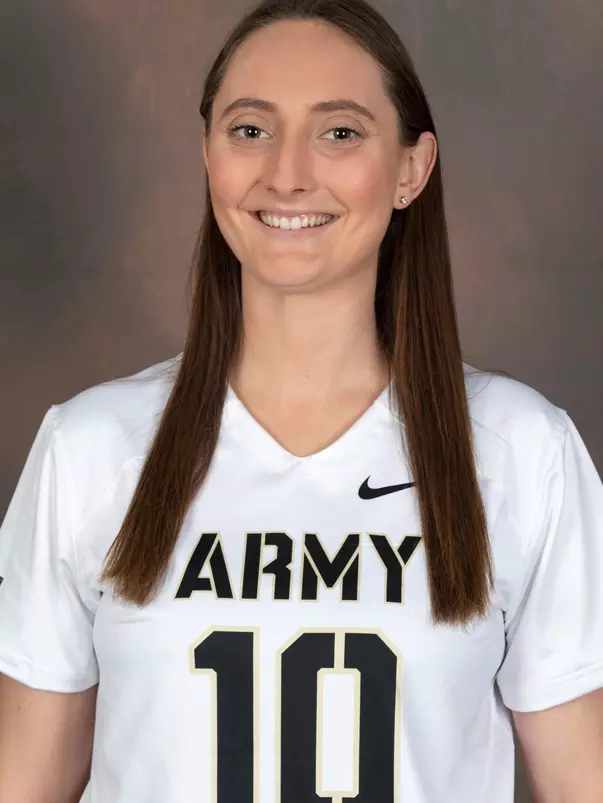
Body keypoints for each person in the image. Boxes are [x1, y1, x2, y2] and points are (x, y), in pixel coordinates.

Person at [1, 0, 602, 800]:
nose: (286, 173)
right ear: (207, 153)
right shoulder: (90, 447)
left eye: (340, 132)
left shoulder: (522, 452)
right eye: (249, 129)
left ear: (409, 169)